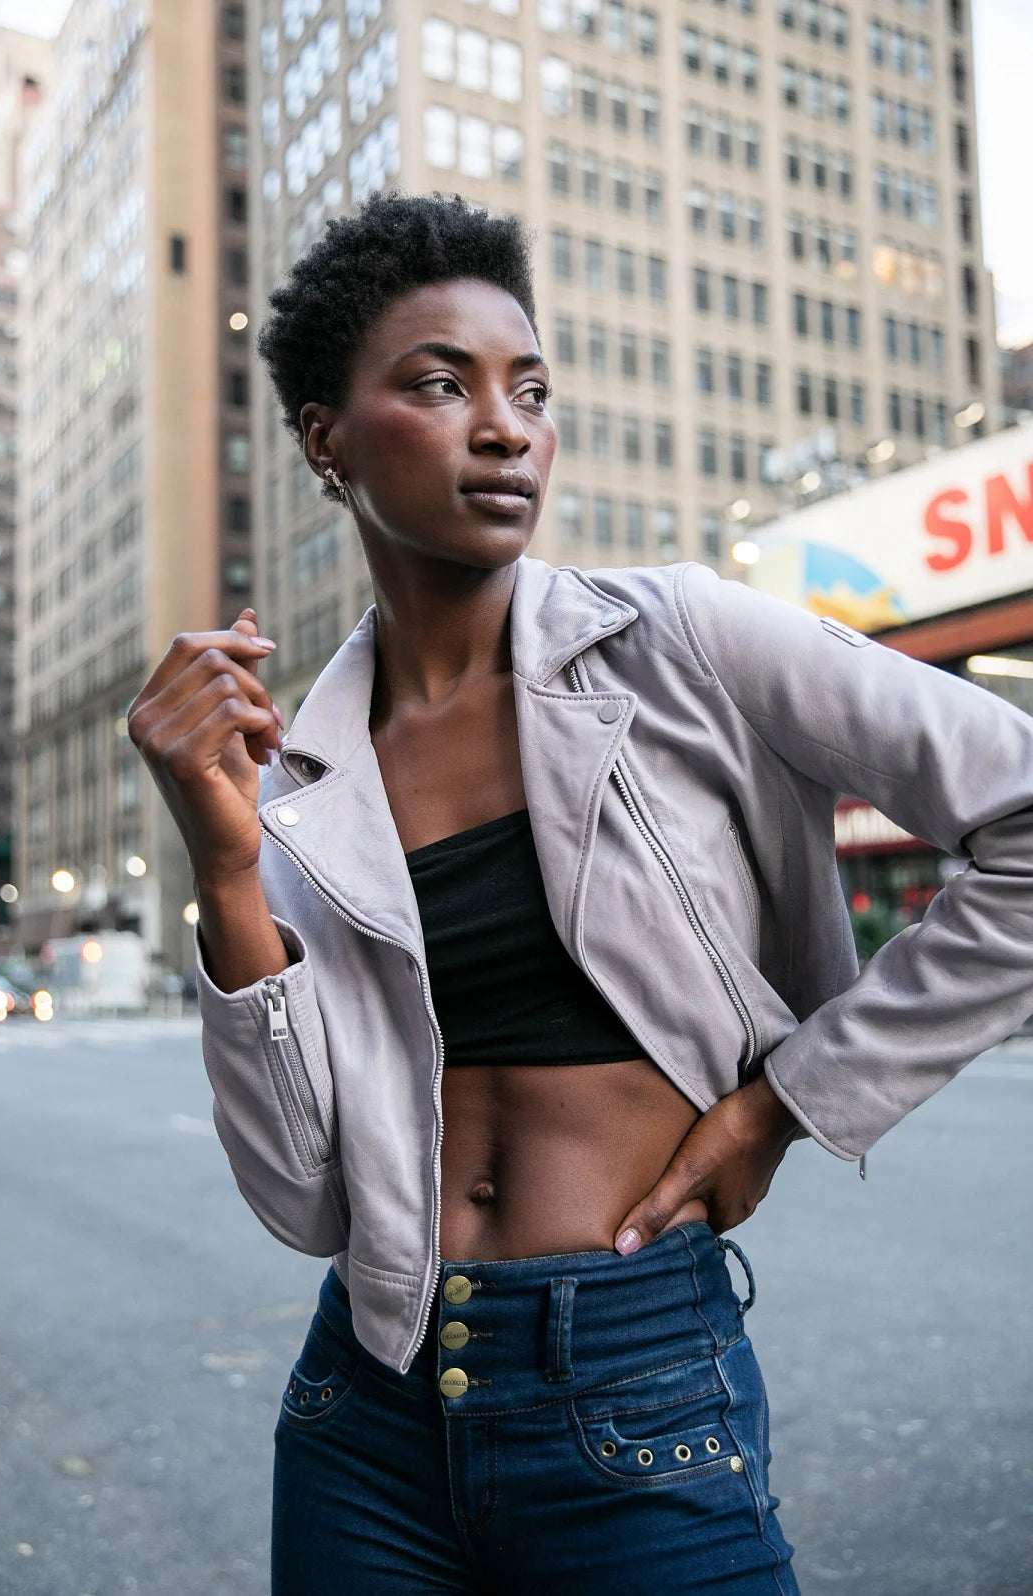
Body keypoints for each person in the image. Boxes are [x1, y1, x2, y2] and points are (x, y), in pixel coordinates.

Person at [129, 194, 1033, 1595]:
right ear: (326, 438)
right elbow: (306, 1197)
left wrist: (789, 1096)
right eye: (441, 384)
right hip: (365, 1411)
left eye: (530, 389)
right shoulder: (296, 778)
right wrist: (229, 864)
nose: (508, 428)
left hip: (635, 1388)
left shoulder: (680, 641)